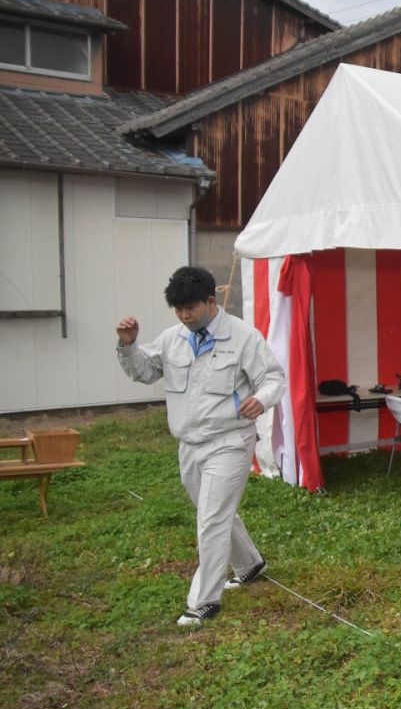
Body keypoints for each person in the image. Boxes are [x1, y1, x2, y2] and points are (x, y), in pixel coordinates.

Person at [116, 266, 284, 626]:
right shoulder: (172, 339)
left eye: (190, 308)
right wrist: (129, 346)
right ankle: (251, 564)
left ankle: (204, 600)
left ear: (211, 301)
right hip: (188, 445)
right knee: (216, 513)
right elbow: (144, 372)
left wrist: (262, 398)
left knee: (211, 519)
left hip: (230, 441)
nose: (184, 315)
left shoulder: (243, 337)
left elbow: (272, 377)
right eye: (178, 309)